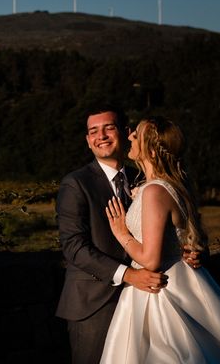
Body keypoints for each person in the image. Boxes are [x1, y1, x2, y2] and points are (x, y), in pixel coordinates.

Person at [100, 116, 220, 363]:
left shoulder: (155, 191)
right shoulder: (171, 185)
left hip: (160, 293)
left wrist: (122, 234)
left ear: (150, 149)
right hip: (183, 280)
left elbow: (151, 260)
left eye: (135, 134)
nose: (129, 136)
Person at [55, 106, 202, 364]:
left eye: (108, 128)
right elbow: (73, 246)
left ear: (126, 133)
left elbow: (175, 229)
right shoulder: (76, 184)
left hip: (149, 299)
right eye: (93, 131)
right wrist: (129, 275)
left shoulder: (143, 178)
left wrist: (186, 251)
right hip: (94, 303)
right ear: (88, 141)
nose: (101, 136)